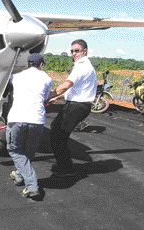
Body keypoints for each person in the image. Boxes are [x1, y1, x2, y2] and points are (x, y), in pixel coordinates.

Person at [48, 39, 97, 177]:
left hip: (77, 106)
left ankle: (66, 168)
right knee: (57, 131)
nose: (74, 53)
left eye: (77, 51)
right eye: (72, 51)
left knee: (57, 135)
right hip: (77, 104)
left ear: (85, 51)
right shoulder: (84, 66)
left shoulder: (82, 66)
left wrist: (47, 95)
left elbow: (66, 85)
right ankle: (64, 164)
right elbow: (76, 90)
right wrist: (57, 98)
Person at [7, 53, 52, 199]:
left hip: (17, 118)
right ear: (41, 64)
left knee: (15, 150)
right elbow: (45, 98)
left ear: (28, 64)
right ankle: (19, 176)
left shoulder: (17, 77)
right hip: (37, 120)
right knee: (28, 151)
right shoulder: (47, 78)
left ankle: (32, 185)